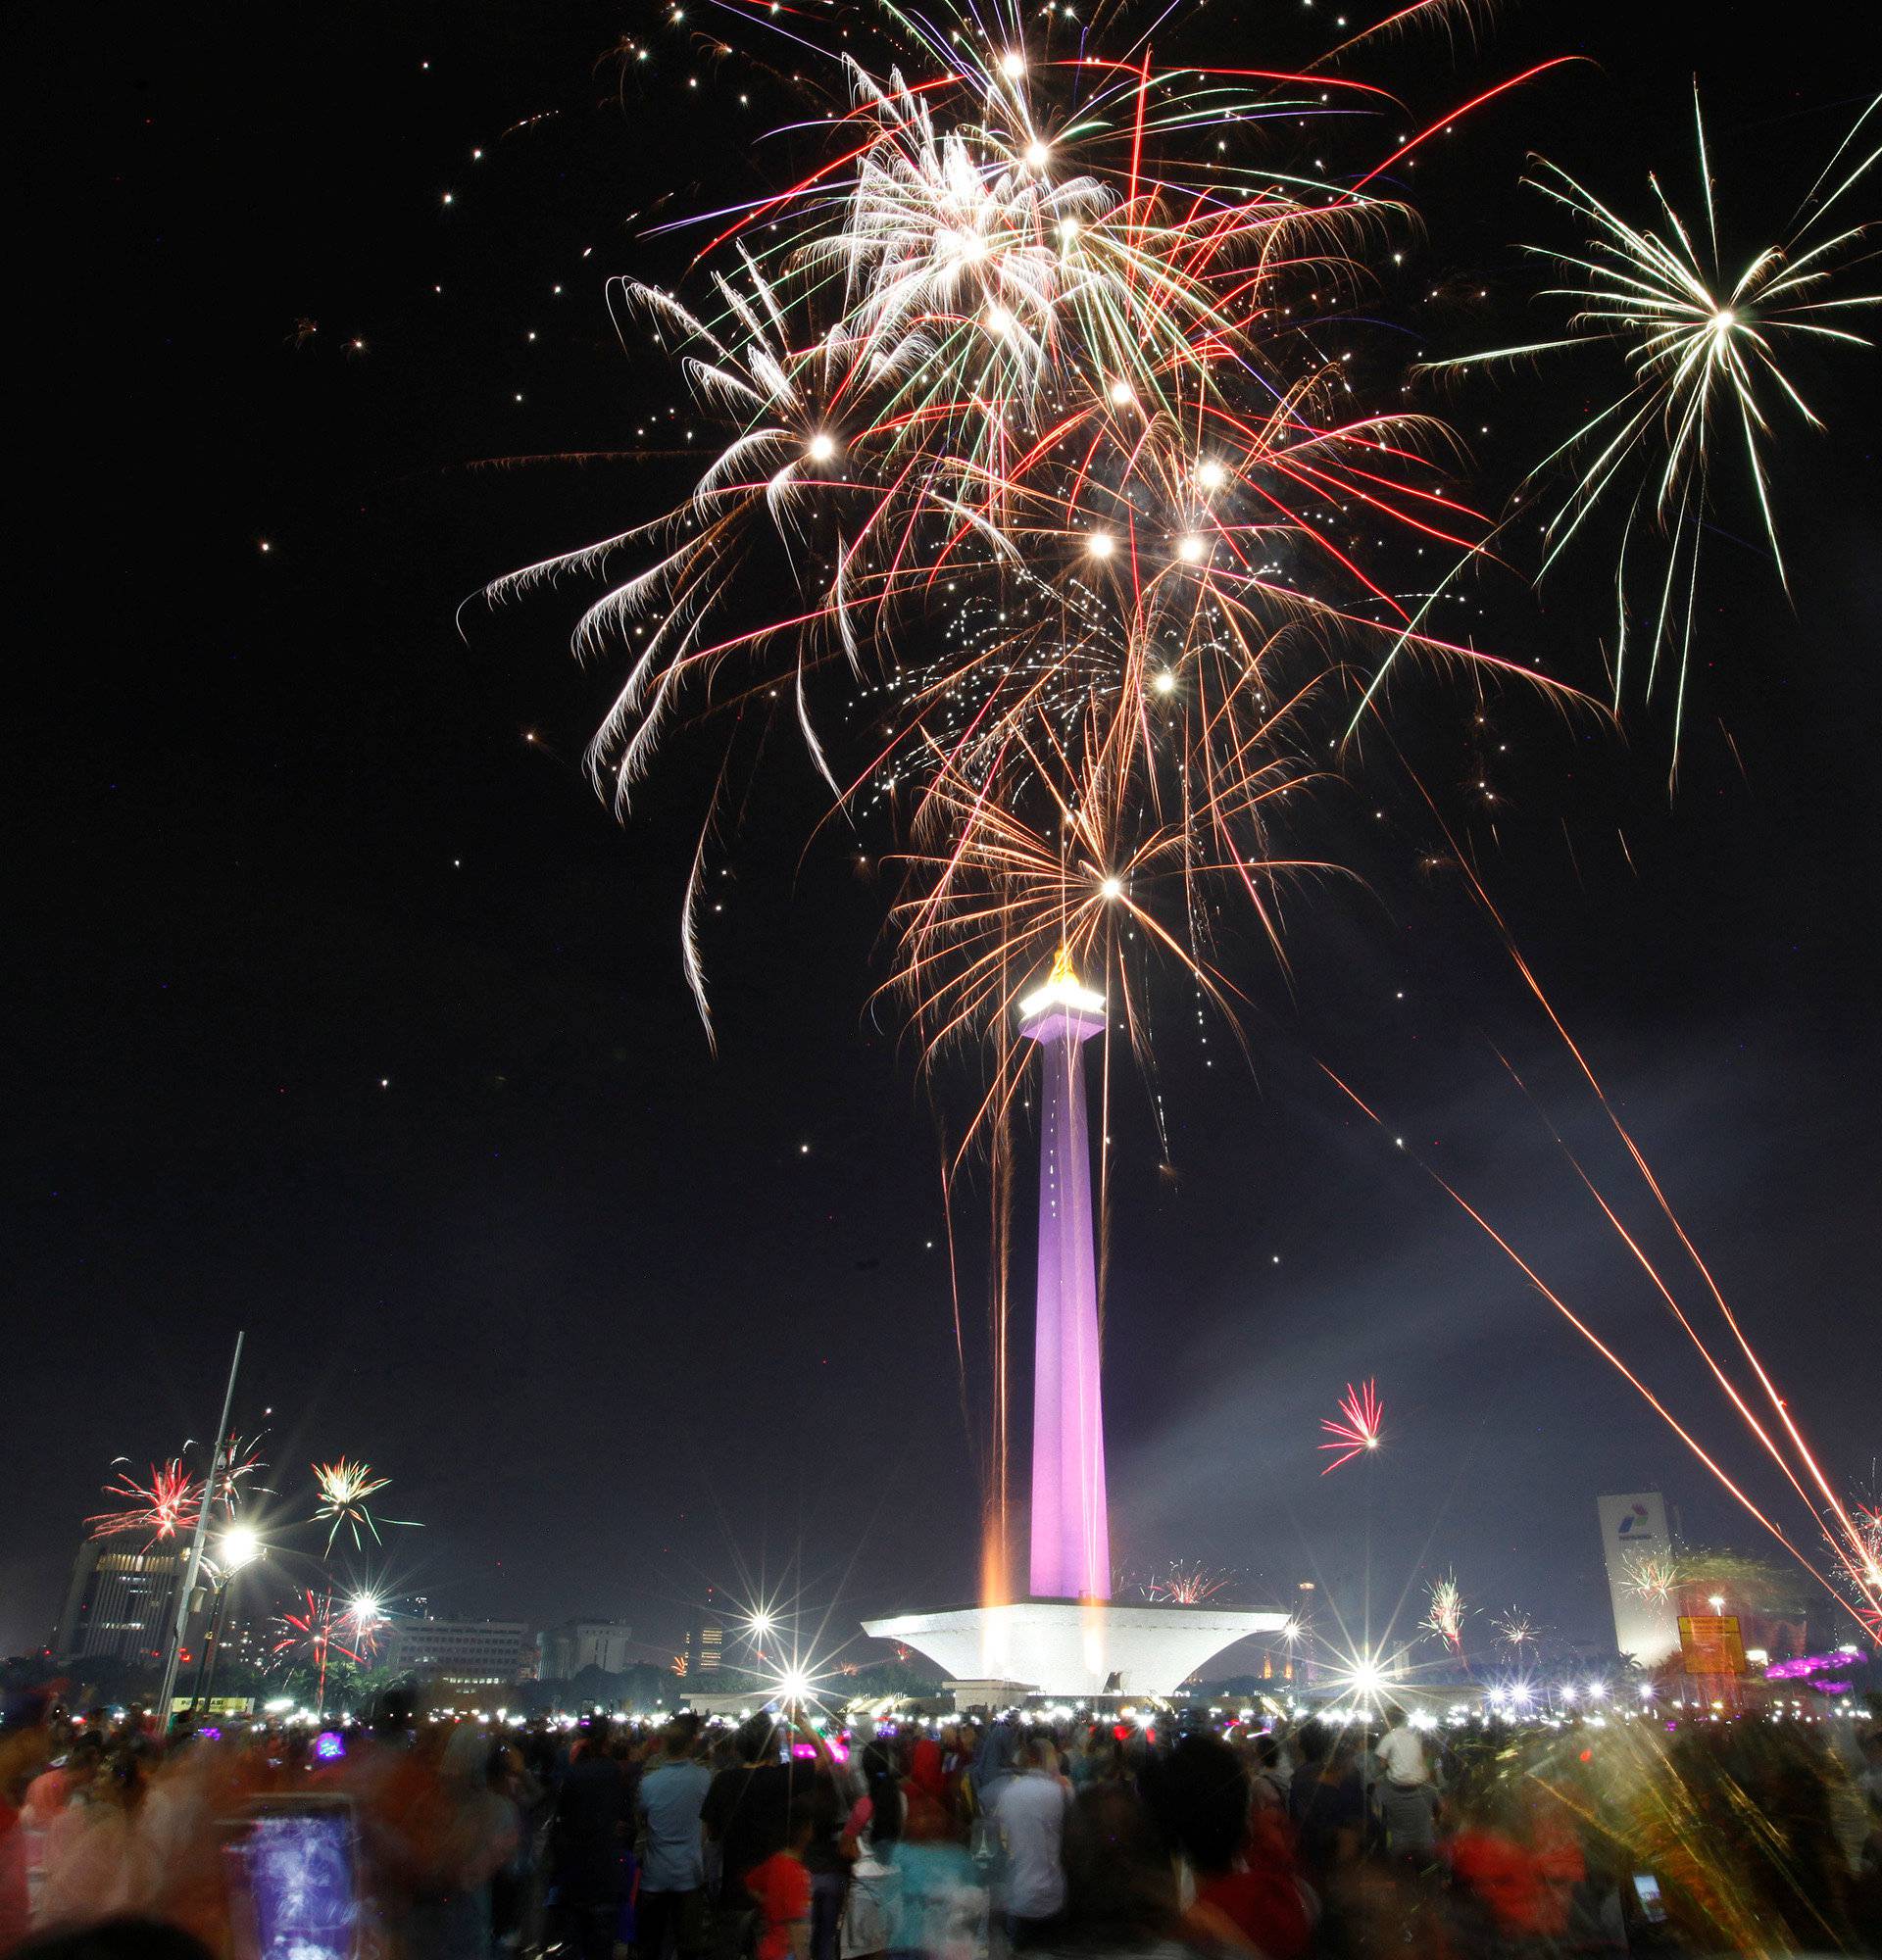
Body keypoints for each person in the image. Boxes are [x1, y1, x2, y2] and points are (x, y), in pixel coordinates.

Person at [637, 1721, 714, 1960]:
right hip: (689, 1873)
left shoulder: (648, 1784)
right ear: (692, 1744)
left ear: (663, 1746)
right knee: (689, 1946)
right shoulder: (703, 1778)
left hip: (655, 1874)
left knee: (650, 1944)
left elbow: (642, 1822)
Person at [990, 1734, 1070, 1947]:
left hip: (1019, 1891)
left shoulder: (1009, 1792)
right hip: (1054, 1892)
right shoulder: (1059, 1791)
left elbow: (1001, 1838)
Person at [745, 1793, 816, 1960]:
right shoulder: (795, 1873)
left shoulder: (775, 1862)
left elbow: (750, 1884)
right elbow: (796, 1925)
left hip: (768, 1949)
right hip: (785, 1953)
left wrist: (770, 1904)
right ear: (804, 1830)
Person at [1372, 1706, 1440, 1863]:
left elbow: (1380, 1765)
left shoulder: (1389, 1737)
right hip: (1420, 1782)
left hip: (1398, 1846)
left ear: (1389, 1720)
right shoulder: (1415, 1737)